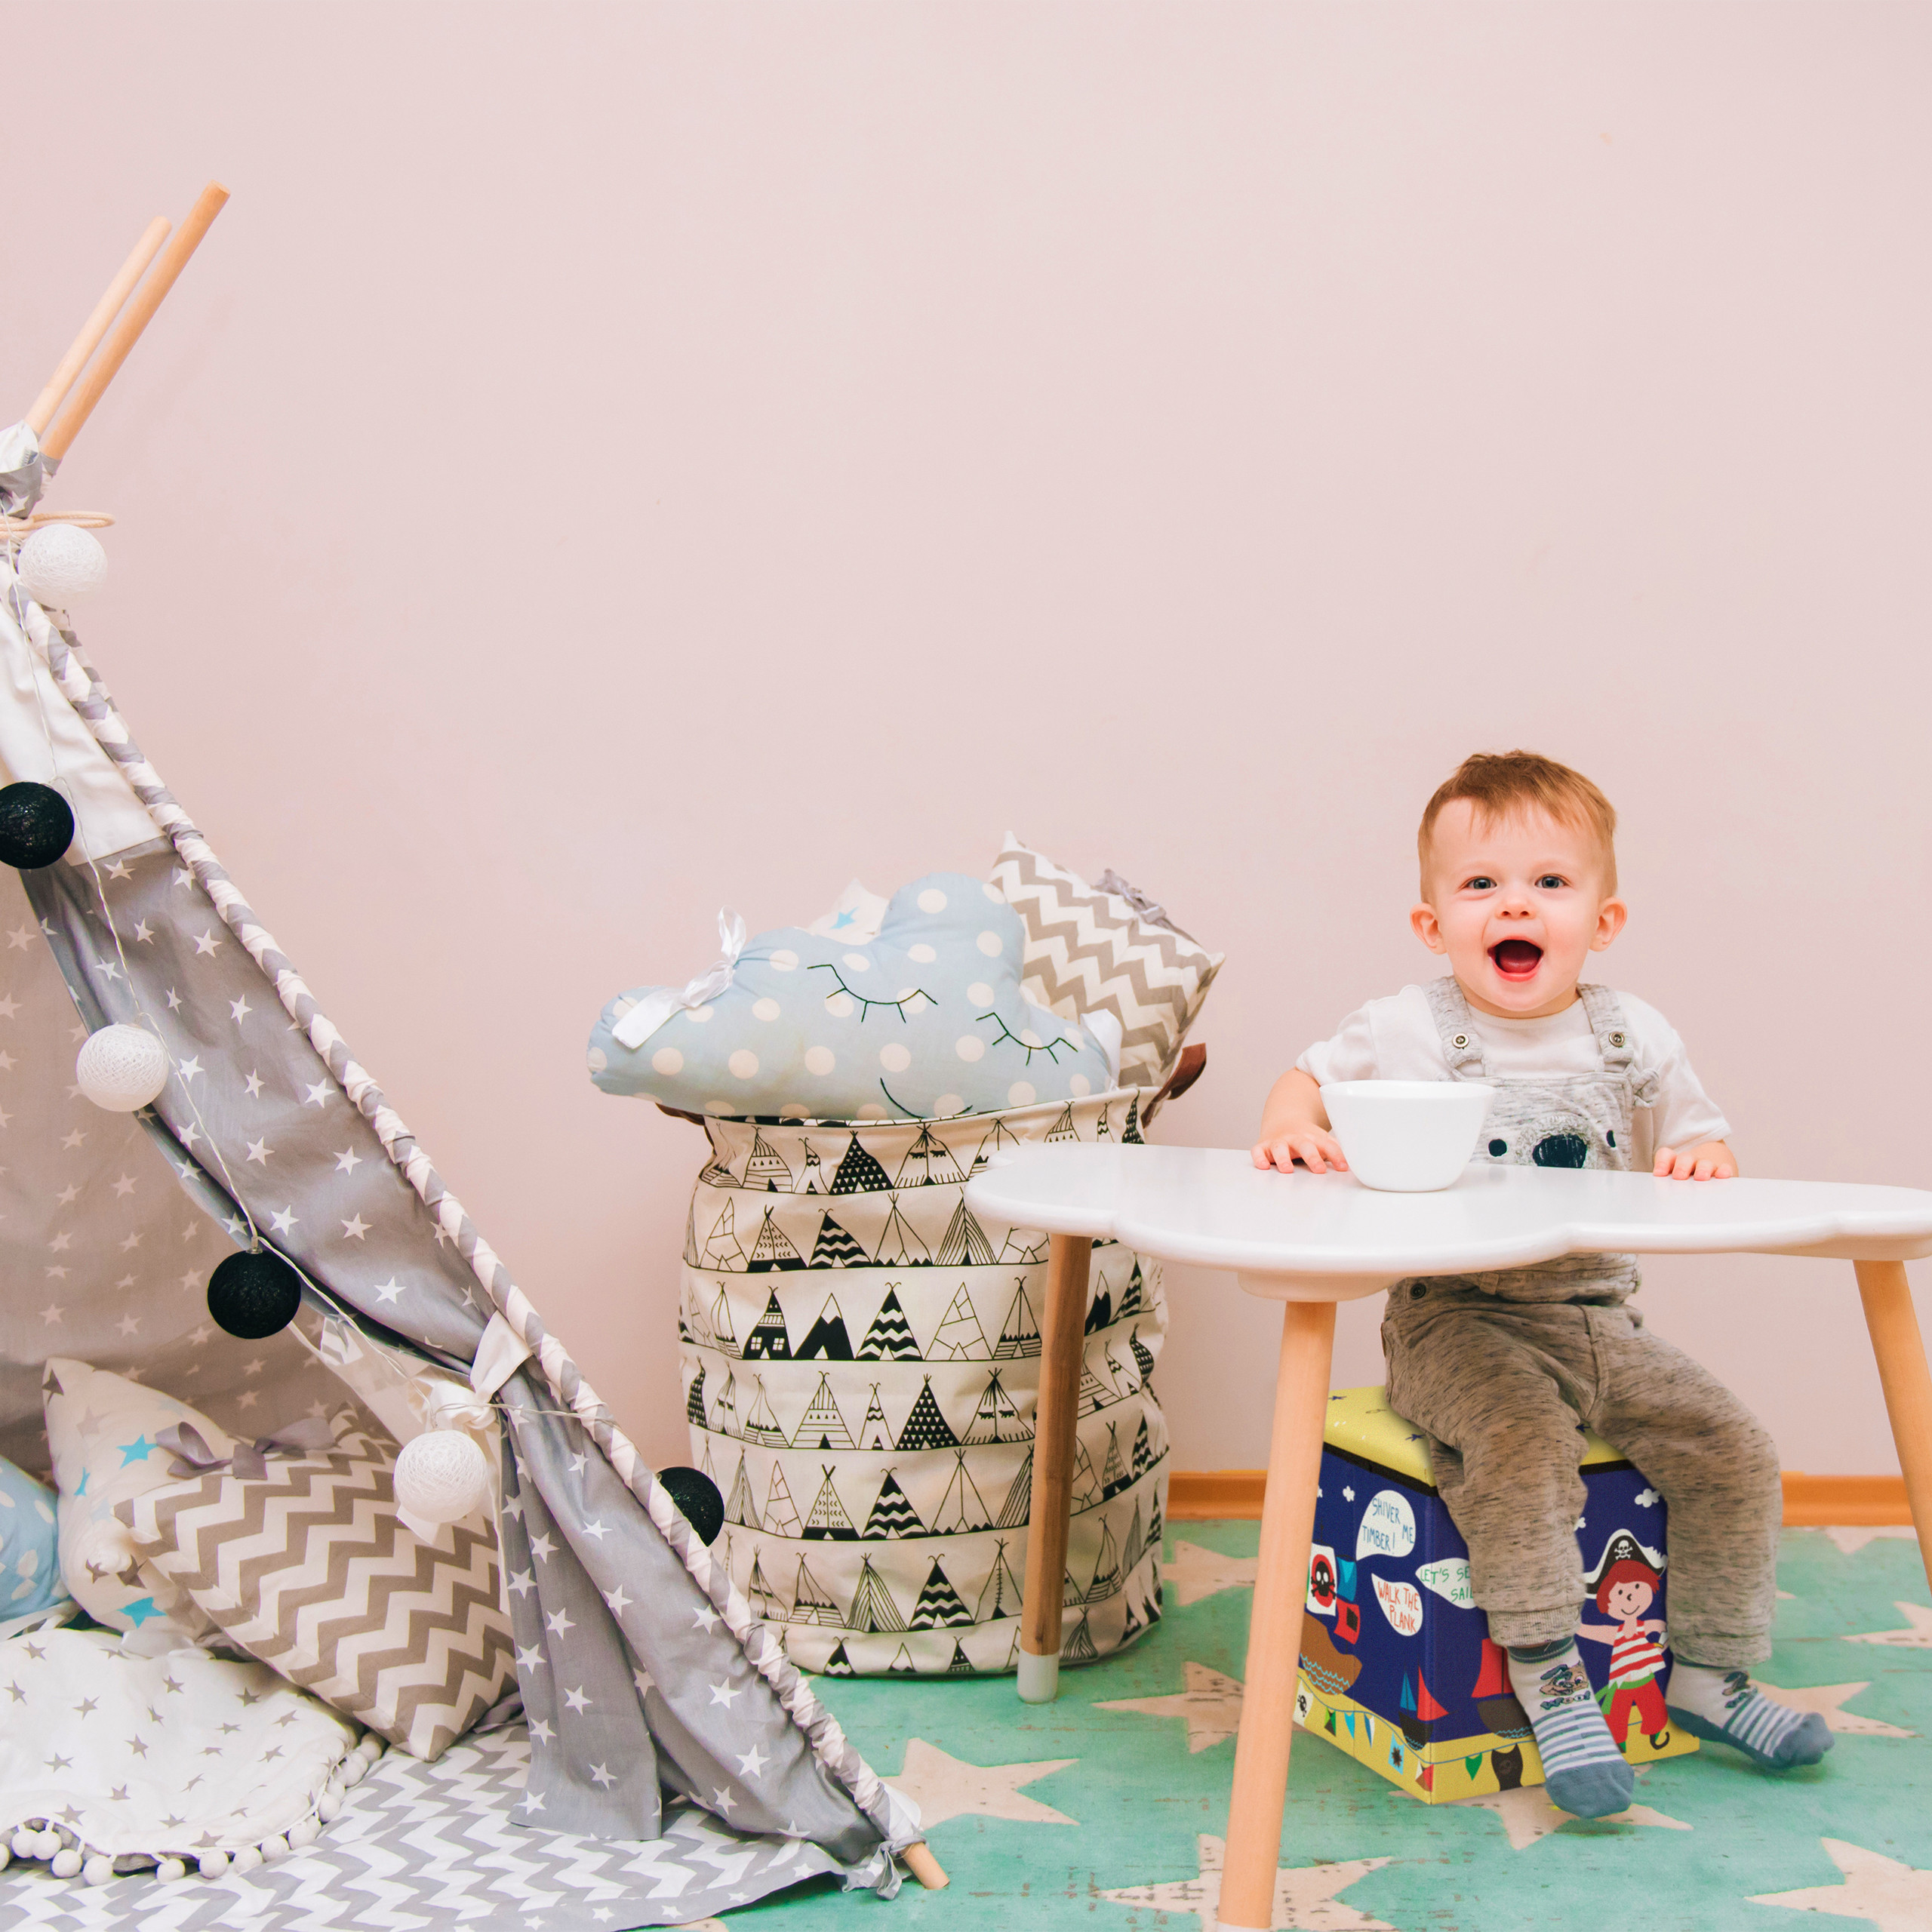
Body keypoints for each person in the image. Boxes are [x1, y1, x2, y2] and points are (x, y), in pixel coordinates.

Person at [1252, 750, 1830, 1817]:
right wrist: (1294, 1124)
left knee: (1731, 1442)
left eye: (1549, 884)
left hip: (1595, 1315)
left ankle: (1706, 1671)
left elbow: (1704, 1142)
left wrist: (1702, 1161)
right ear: (1434, 924)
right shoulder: (1409, 1027)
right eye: (1481, 885)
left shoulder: (1634, 1033)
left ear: (1601, 921)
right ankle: (1548, 1672)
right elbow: (1306, 1075)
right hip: (1452, 1320)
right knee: (1522, 1439)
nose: (1514, 903)